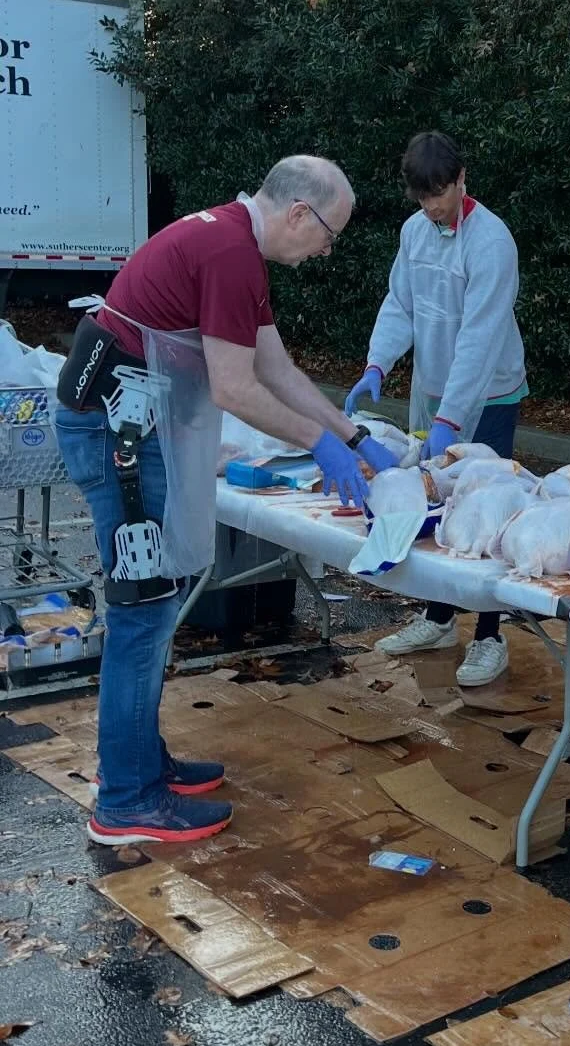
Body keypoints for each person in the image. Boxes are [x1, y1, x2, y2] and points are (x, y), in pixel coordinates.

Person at [55, 156, 399, 850]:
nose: (325, 252)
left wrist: (354, 435)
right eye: (329, 236)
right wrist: (319, 444)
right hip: (117, 433)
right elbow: (234, 389)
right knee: (144, 611)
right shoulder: (229, 252)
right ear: (300, 213)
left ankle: (141, 765)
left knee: (154, 601)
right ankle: (126, 799)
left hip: (128, 422)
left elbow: (276, 369)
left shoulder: (233, 244)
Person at [349, 131, 527, 686]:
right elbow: (401, 303)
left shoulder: (491, 241)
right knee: (434, 503)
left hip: (490, 393)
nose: (433, 207)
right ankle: (439, 616)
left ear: (461, 178)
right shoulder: (414, 232)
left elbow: (480, 336)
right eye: (423, 197)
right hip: (432, 390)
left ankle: (490, 635)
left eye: (441, 194)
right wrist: (378, 364)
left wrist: (452, 419)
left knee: (486, 509)